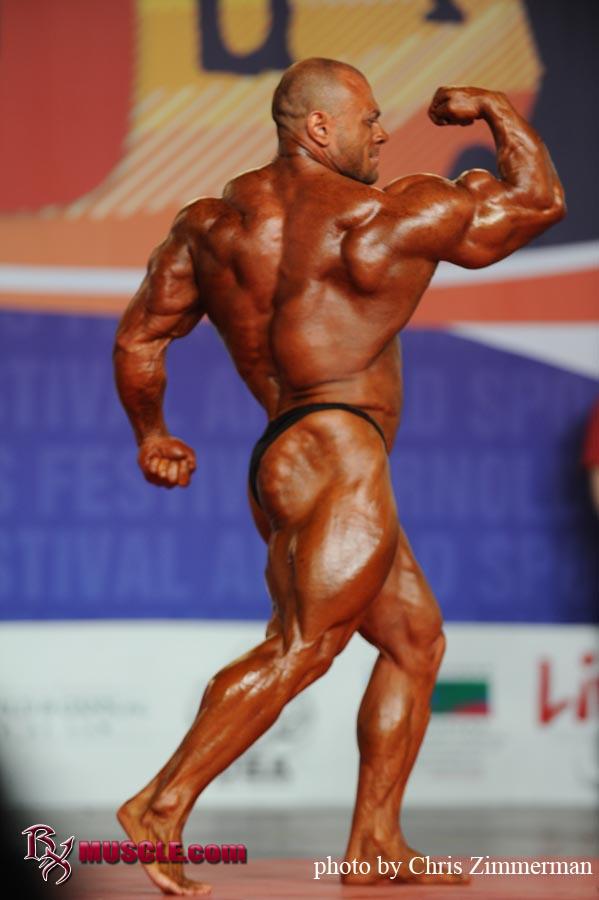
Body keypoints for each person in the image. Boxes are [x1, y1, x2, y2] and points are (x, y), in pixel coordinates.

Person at [113, 58, 565, 894]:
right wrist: (495, 110)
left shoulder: (208, 227)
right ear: (318, 127)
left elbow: (140, 336)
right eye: (369, 118)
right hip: (341, 445)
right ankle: (159, 805)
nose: (383, 133)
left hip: (284, 451)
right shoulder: (386, 215)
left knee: (414, 641)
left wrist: (153, 434)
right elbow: (537, 204)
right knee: (303, 645)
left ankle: (373, 843)